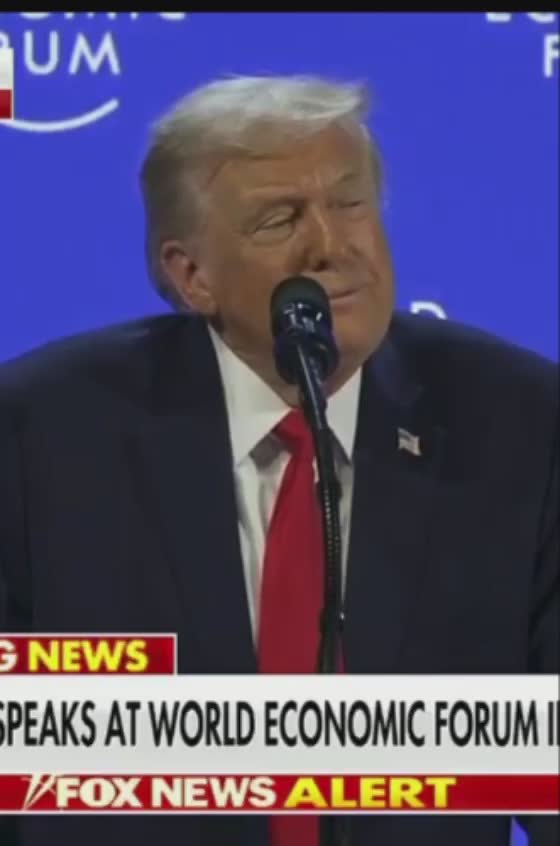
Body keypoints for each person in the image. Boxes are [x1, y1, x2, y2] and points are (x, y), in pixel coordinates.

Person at [0, 75, 557, 846]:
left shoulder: (520, 422)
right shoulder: (42, 436)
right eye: (279, 219)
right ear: (192, 275)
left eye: (351, 202)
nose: (332, 245)